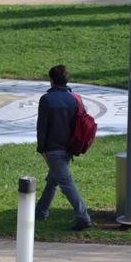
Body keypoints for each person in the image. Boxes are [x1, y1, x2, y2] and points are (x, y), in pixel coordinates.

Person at [35, 65, 92, 231]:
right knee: (53, 180)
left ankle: (83, 217)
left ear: (51, 81)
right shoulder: (75, 98)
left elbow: (42, 128)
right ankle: (40, 211)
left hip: (53, 149)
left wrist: (41, 149)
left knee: (66, 183)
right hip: (70, 147)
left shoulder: (46, 100)